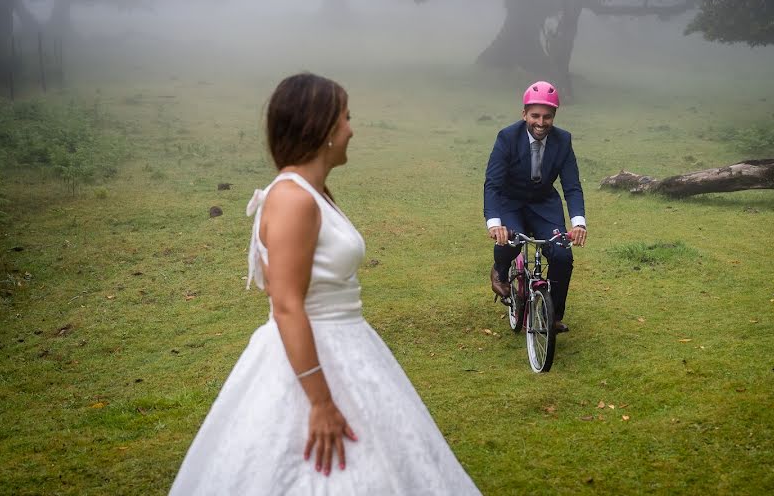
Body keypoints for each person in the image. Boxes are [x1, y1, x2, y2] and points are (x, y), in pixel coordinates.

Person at [170, 73, 480, 495]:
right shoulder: (293, 198)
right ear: (320, 128)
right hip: (315, 353)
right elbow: (285, 304)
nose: (352, 129)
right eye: (345, 118)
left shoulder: (314, 192)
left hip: (351, 344)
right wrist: (319, 401)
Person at [483, 80, 587, 333]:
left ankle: (552, 316)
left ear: (554, 116)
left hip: (544, 205)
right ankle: (499, 270)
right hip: (511, 203)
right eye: (535, 116)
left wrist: (578, 223)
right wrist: (495, 224)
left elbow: (571, 185)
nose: (541, 123)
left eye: (547, 117)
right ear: (524, 114)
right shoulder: (507, 137)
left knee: (562, 254)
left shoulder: (563, 140)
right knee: (511, 240)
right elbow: (493, 184)